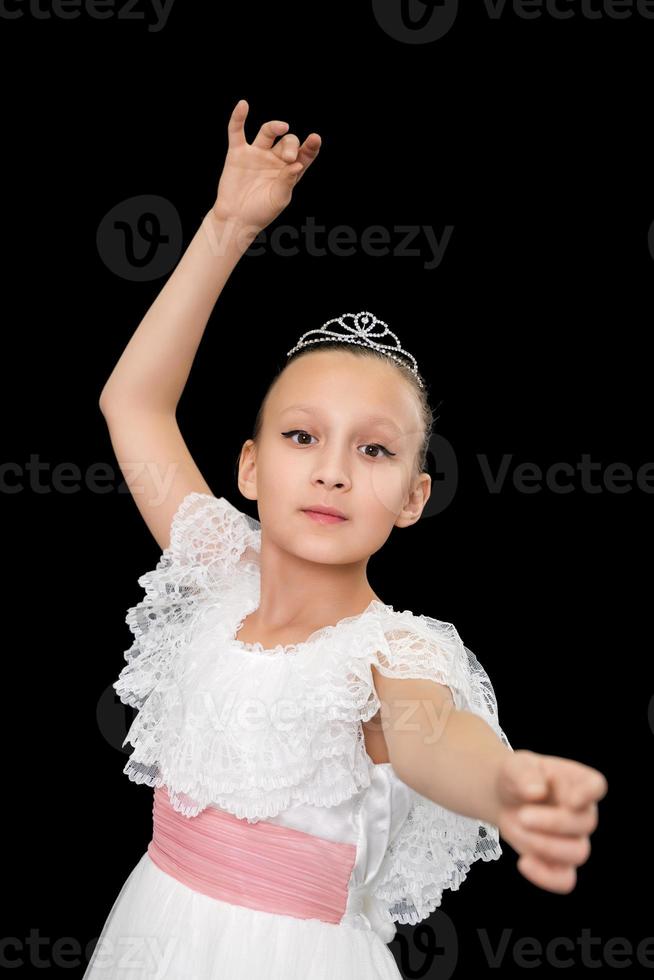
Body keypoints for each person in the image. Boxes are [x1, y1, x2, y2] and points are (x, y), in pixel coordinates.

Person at [89, 100, 608, 979]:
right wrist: (224, 226)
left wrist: (507, 787)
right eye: (302, 437)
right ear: (250, 468)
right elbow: (131, 402)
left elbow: (433, 733)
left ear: (412, 497)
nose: (332, 471)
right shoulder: (218, 575)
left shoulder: (389, 651)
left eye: (372, 450)